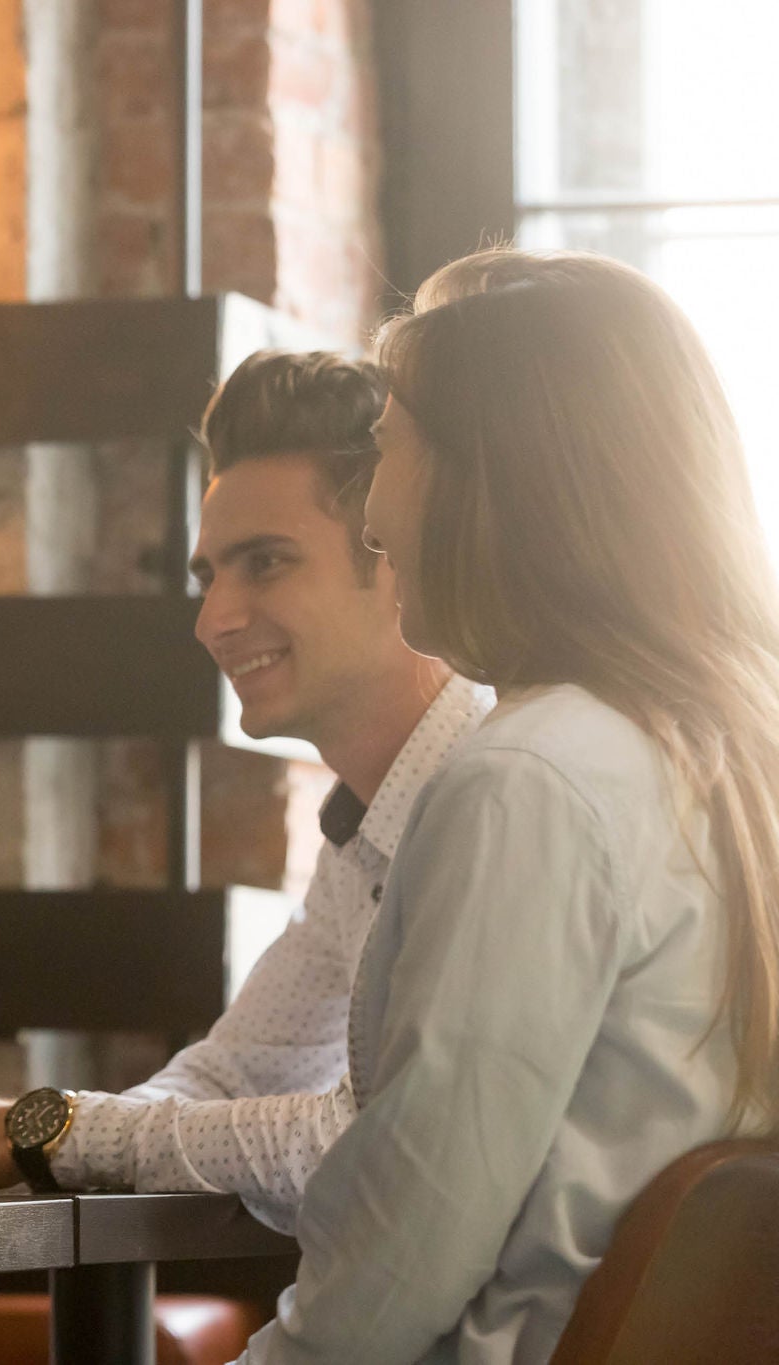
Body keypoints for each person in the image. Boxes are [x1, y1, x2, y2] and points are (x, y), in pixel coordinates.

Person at [237, 248, 772, 1361]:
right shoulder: (724, 757)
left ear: (495, 479)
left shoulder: (525, 783)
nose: (374, 519)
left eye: (386, 451)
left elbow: (393, 1267)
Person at [0, 350, 489, 1235]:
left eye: (263, 563)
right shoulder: (365, 829)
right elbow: (232, 1074)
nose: (212, 618)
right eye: (207, 575)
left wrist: (43, 1131)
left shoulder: (491, 797)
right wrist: (57, 1134)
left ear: (394, 555)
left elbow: (368, 1141)